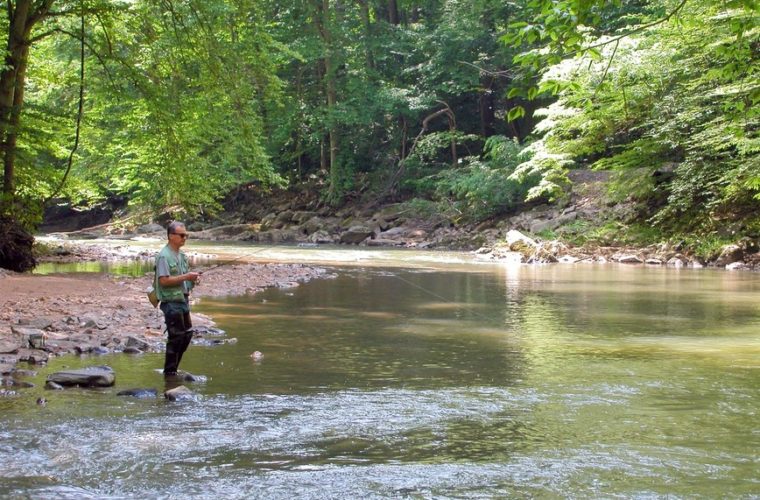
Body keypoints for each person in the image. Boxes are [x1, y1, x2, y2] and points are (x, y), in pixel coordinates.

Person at [154, 221, 200, 377]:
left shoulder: (182, 256)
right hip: (171, 302)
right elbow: (164, 281)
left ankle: (173, 369)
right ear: (171, 236)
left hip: (183, 300)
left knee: (187, 334)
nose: (184, 238)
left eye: (186, 235)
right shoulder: (163, 256)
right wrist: (187, 276)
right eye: (181, 235)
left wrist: (192, 280)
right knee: (176, 337)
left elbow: (183, 278)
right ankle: (170, 372)